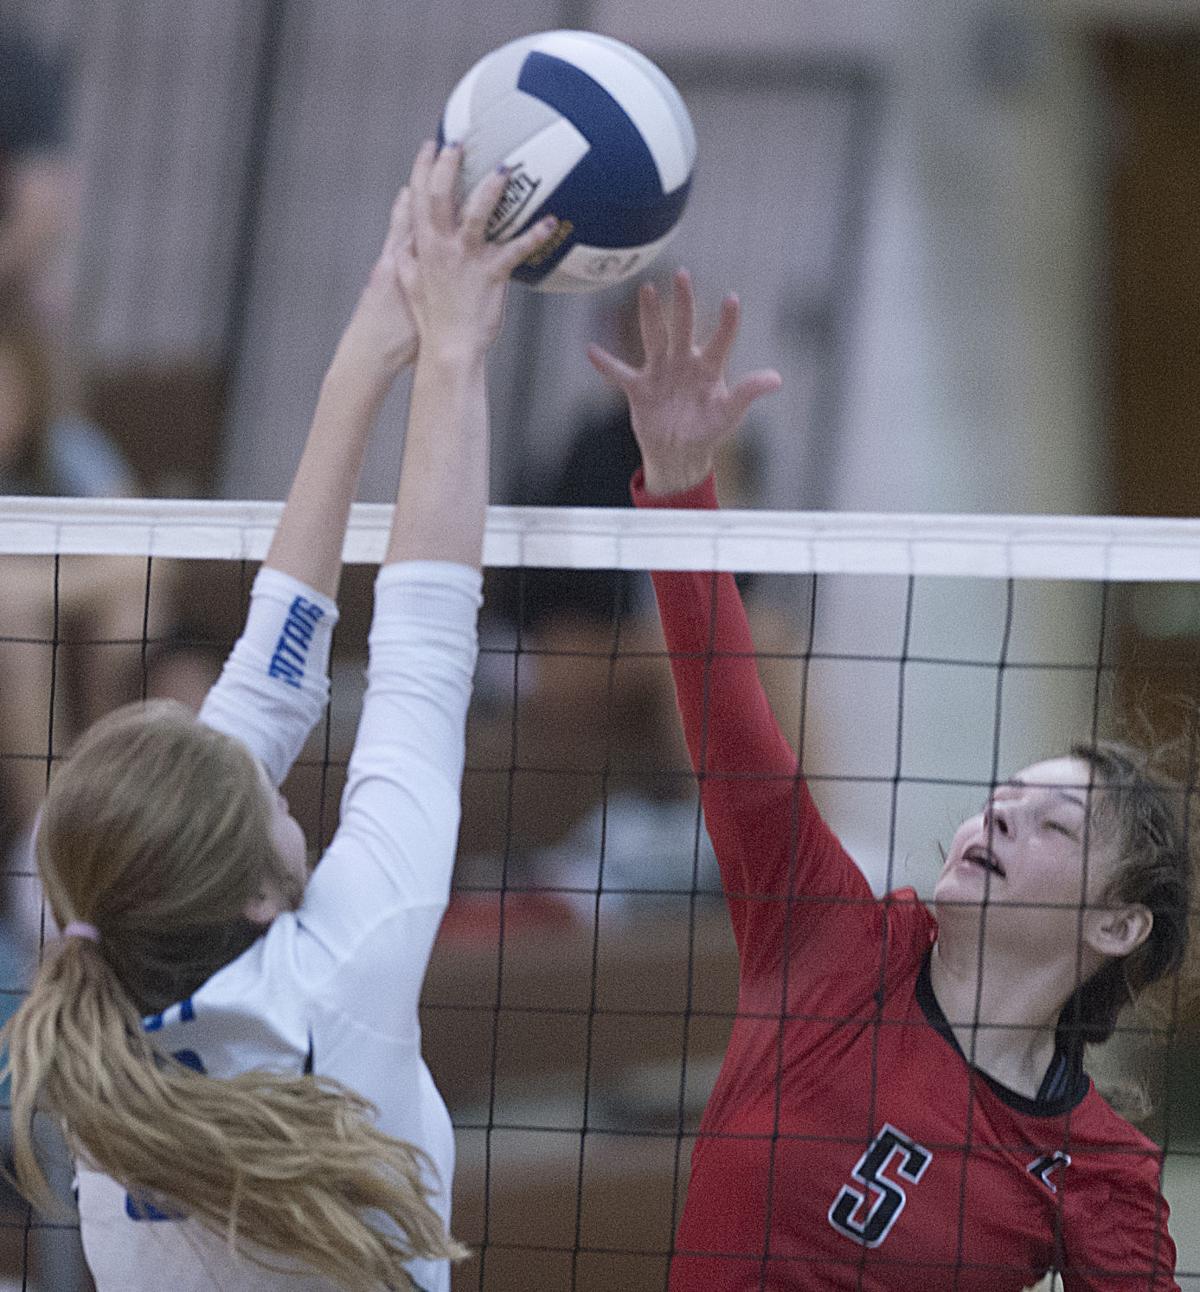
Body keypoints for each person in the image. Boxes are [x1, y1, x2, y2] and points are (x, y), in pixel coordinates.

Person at [0, 142, 557, 1291]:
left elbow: (276, 669)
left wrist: (375, 347)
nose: (275, 768)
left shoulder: (109, 987)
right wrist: (451, 349)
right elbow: (419, 645)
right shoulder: (339, 970)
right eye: (263, 784)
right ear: (257, 889)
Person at [588, 269, 1191, 1290]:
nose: (998, 814)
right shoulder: (829, 938)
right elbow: (732, 729)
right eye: (1002, 795)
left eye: (1051, 822)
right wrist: (684, 484)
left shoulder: (1099, 1171)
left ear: (1116, 923)